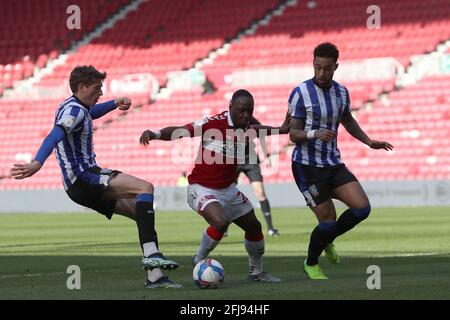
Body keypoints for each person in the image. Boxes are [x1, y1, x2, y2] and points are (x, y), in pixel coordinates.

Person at [10, 65, 181, 289]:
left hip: (78, 185)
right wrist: (37, 162)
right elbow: (55, 134)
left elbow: (92, 112)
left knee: (141, 213)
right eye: (97, 88)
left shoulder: (74, 106)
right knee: (145, 188)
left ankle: (155, 277)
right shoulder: (74, 111)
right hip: (85, 177)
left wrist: (114, 103)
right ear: (82, 87)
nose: (100, 92)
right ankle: (153, 254)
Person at [140, 89, 289, 283]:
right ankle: (199, 259)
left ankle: (256, 273)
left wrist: (281, 129)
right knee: (220, 221)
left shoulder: (247, 126)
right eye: (242, 110)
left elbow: (259, 130)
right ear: (230, 108)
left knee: (254, 227)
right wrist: (155, 133)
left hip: (228, 190)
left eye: (249, 111)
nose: (246, 115)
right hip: (201, 188)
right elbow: (181, 131)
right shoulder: (213, 124)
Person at [288, 43, 394, 280]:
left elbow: (347, 119)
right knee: (327, 221)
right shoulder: (300, 93)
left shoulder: (341, 92)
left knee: (362, 208)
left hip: (332, 164)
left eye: (327, 68)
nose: (321, 73)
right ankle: (311, 263)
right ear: (313, 64)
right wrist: (315, 133)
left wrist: (368, 141)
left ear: (336, 66)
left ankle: (328, 239)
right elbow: (293, 134)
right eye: (317, 67)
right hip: (307, 167)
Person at [236, 116, 280, 237]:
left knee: (260, 192)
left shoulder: (250, 119)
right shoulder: (227, 120)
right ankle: (224, 228)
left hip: (251, 159)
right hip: (233, 160)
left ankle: (271, 228)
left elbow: (261, 133)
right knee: (228, 193)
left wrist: (265, 155)